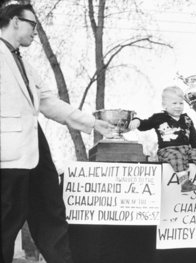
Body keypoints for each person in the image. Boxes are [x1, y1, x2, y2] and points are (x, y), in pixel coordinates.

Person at [0, 3, 114, 263]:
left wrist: (93, 123)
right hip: (7, 156)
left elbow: (49, 102)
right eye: (33, 24)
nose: (35, 32)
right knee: (6, 224)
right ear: (15, 21)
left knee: (51, 213)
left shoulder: (26, 67)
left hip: (36, 149)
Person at [129, 86, 196, 192]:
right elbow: (145, 124)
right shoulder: (158, 117)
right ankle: (184, 182)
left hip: (186, 149)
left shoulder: (186, 119)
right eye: (174, 103)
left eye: (181, 103)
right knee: (176, 156)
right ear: (165, 105)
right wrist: (137, 121)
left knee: (195, 151)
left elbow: (194, 139)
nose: (178, 106)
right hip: (167, 150)